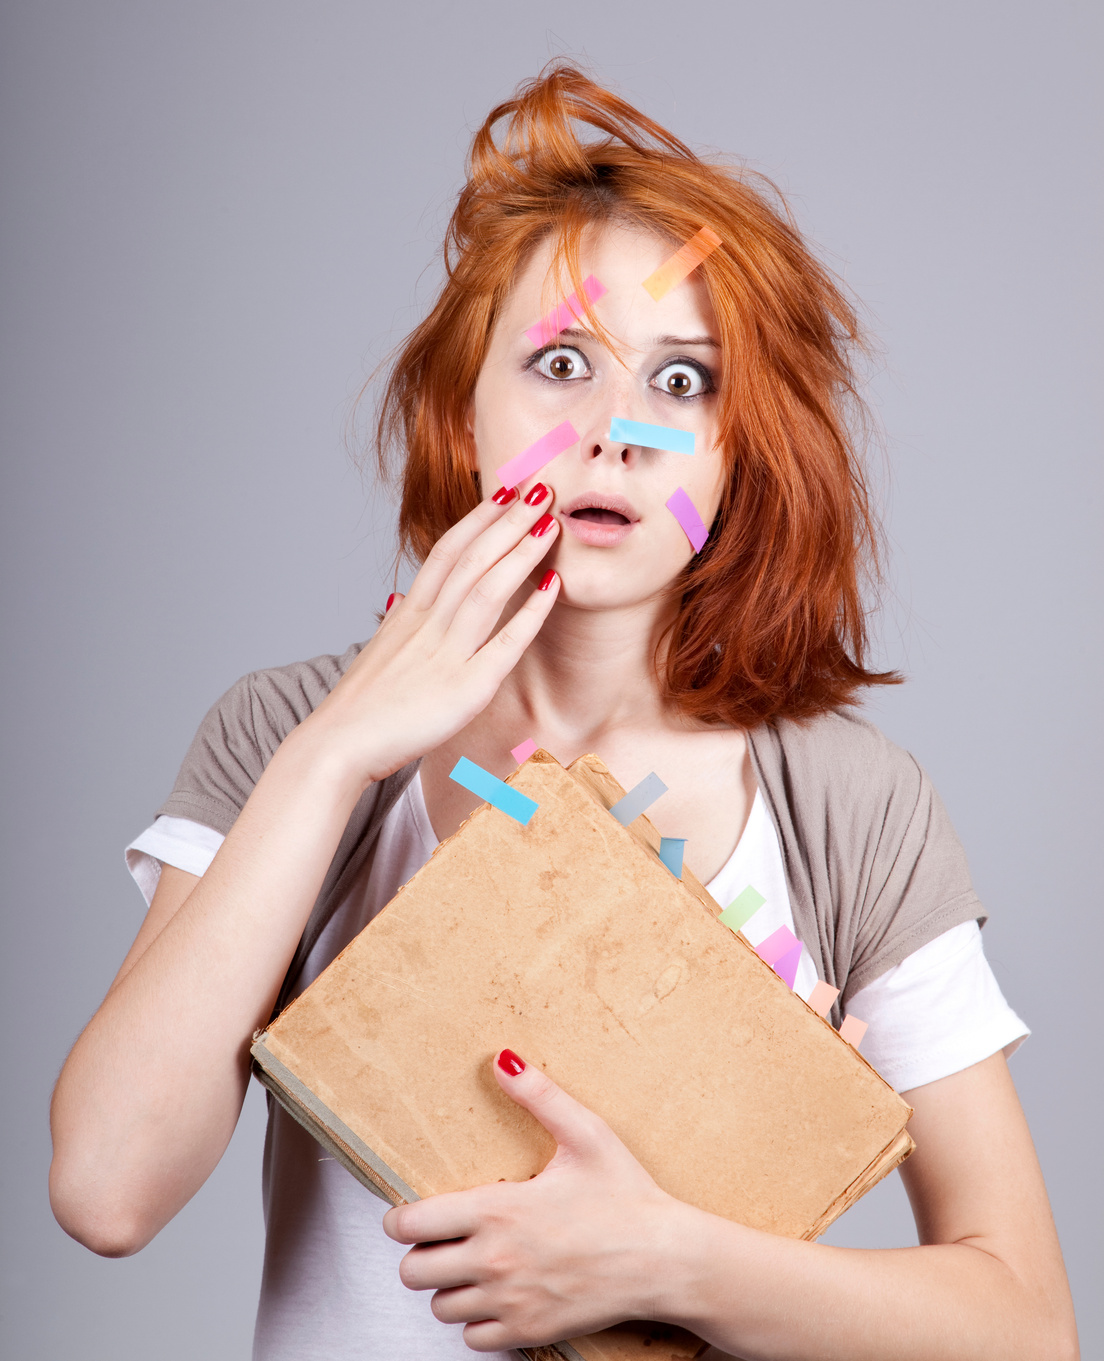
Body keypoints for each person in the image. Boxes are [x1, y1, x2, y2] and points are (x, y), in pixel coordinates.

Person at [48, 65, 1078, 1361]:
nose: (617, 433)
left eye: (685, 383)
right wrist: (336, 754)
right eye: (559, 362)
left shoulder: (847, 805)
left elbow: (1028, 1329)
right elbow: (106, 1188)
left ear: (741, 452)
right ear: (461, 411)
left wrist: (669, 1257)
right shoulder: (289, 732)